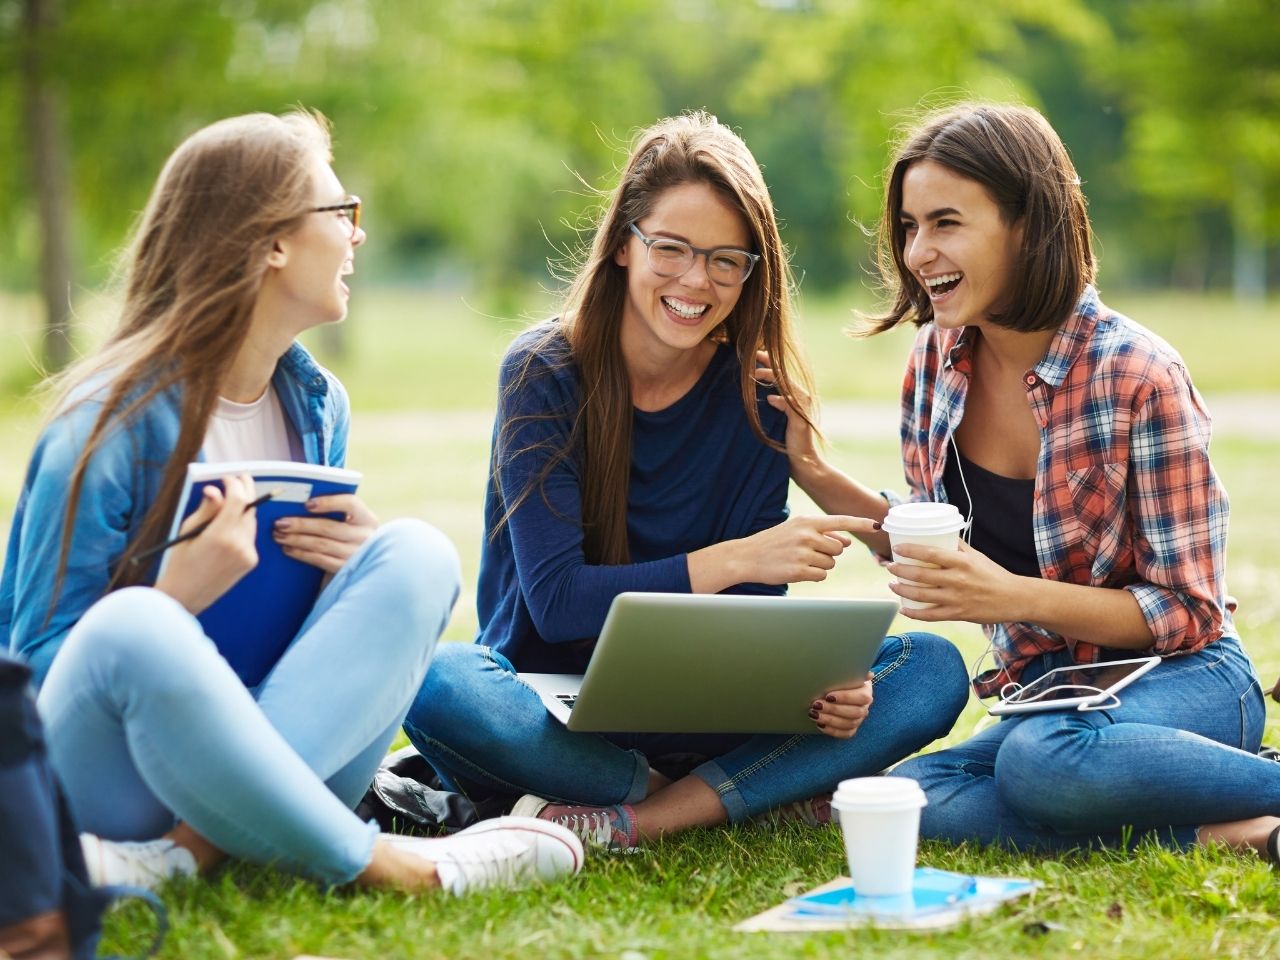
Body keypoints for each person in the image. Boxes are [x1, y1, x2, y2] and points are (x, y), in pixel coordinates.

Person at [0, 110, 582, 895]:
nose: (357, 235)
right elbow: (35, 681)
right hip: (115, 778)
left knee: (414, 554)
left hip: (278, 753)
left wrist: (354, 580)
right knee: (136, 624)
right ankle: (401, 869)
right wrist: (174, 595)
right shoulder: (108, 428)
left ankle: (187, 856)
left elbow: (318, 642)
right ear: (273, 242)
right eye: (341, 212)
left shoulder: (317, 404)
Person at [401, 111, 968, 851]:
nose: (696, 281)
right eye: (671, 249)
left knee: (927, 670)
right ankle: (724, 797)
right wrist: (738, 558)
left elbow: (745, 630)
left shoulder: (756, 397)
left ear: (750, 273)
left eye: (726, 260)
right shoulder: (543, 372)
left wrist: (827, 689)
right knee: (440, 681)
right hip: (551, 706)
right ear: (623, 247)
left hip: (708, 718)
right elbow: (560, 605)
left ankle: (633, 818)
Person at [762, 101, 1278, 857]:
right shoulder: (935, 365)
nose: (917, 252)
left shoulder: (1138, 375)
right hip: (1051, 702)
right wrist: (806, 464)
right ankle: (1230, 833)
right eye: (909, 226)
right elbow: (923, 539)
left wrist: (1005, 596)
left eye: (946, 223)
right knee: (905, 801)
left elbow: (1189, 612)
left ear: (1029, 226)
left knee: (1041, 765)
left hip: (1186, 681)